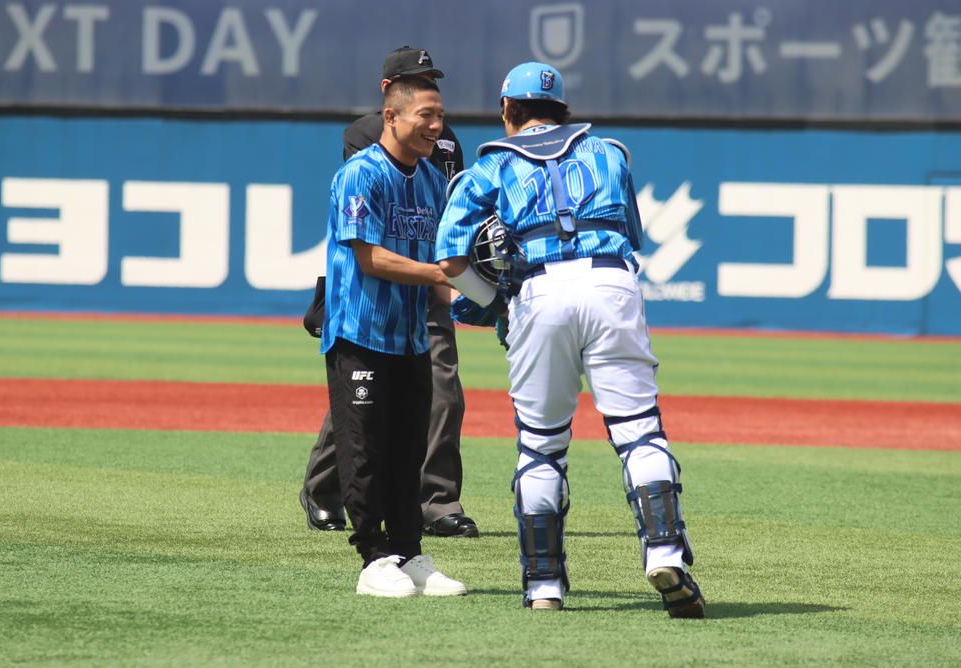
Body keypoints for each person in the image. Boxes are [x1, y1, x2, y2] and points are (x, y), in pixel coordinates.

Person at [435, 62, 705, 616]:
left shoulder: (490, 167)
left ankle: (544, 587)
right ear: (562, 109)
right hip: (611, 282)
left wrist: (496, 304)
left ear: (508, 109)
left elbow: (450, 260)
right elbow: (629, 234)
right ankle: (664, 551)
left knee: (541, 445)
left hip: (537, 291)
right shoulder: (609, 153)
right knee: (638, 431)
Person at [301, 45, 477, 539]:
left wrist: (468, 296)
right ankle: (327, 492)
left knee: (443, 395)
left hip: (423, 296)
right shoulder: (364, 143)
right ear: (389, 99)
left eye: (433, 81)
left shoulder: (443, 149)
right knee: (363, 410)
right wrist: (439, 275)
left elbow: (446, 225)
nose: (435, 120)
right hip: (373, 302)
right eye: (420, 83)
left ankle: (436, 503)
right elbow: (366, 244)